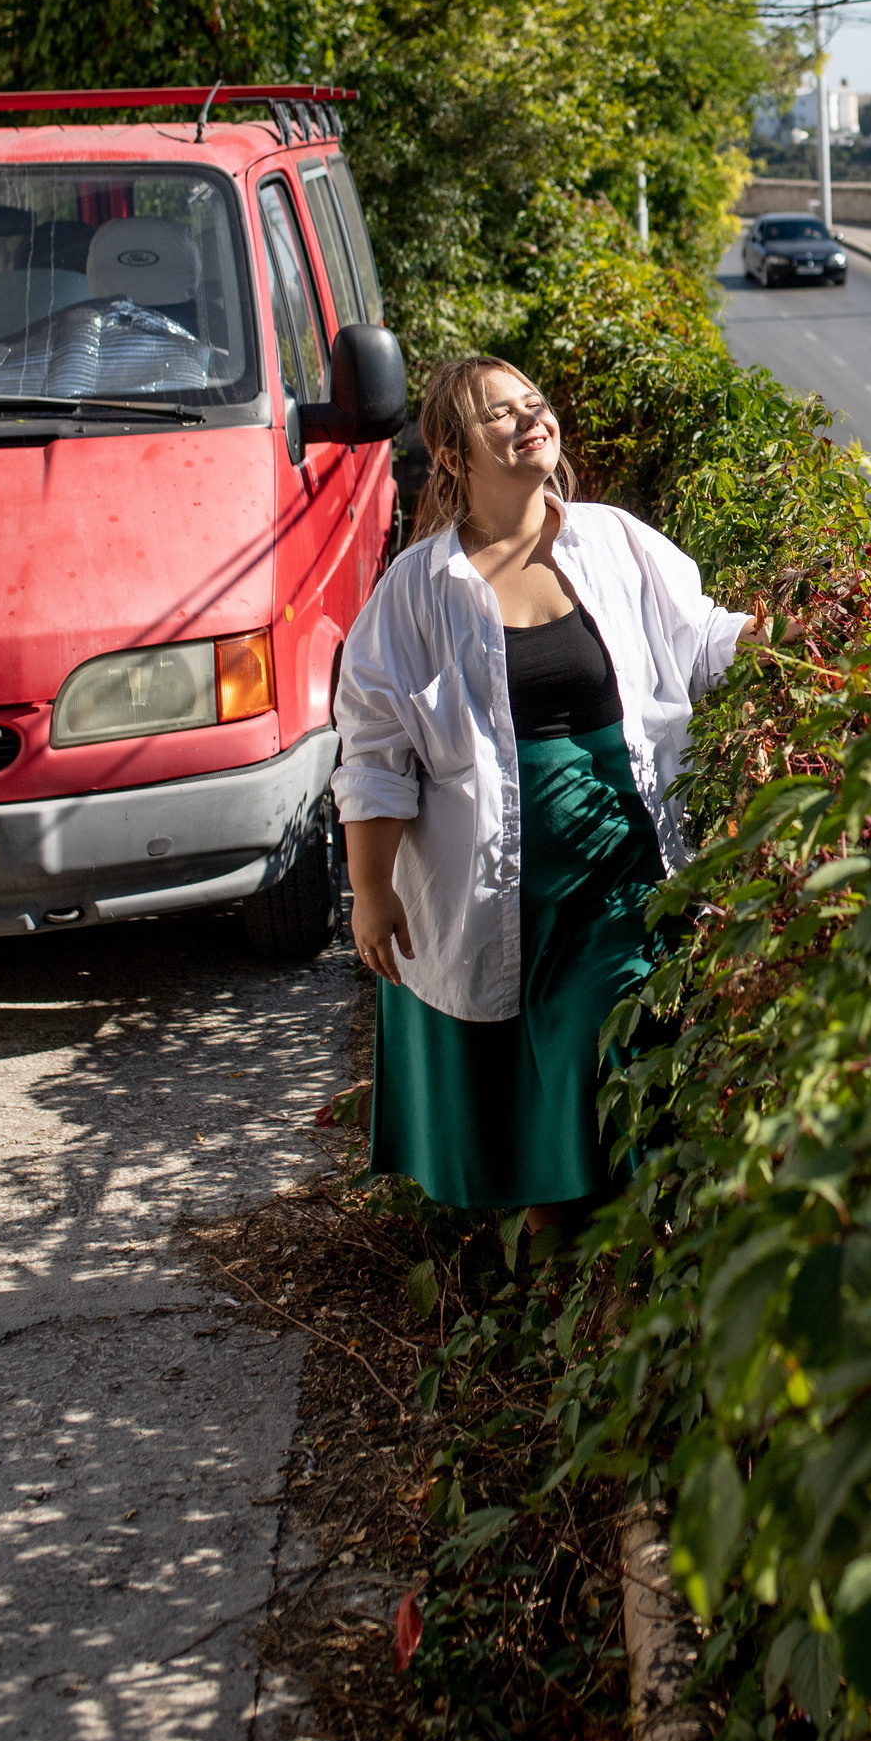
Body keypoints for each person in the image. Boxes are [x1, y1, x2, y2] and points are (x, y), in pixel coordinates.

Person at [331, 354, 753, 1215]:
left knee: (615, 1037)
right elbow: (374, 756)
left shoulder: (613, 541)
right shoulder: (416, 593)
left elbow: (701, 639)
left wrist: (782, 635)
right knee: (525, 1069)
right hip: (491, 877)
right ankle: (559, 1259)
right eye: (500, 414)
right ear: (451, 455)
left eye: (535, 403)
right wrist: (370, 893)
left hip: (619, 861)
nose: (530, 419)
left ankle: (635, 1246)